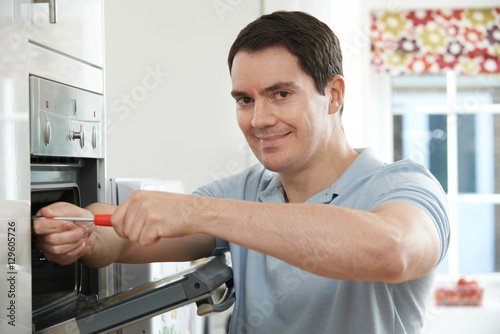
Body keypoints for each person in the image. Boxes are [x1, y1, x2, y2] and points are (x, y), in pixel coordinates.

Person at [34, 11, 449, 334]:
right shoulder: (246, 189)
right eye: (244, 100)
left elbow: (393, 251)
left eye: (280, 94)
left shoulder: (401, 185)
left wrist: (202, 213)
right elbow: (122, 242)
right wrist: (84, 232)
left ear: (333, 95)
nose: (259, 119)